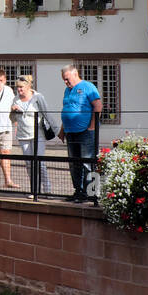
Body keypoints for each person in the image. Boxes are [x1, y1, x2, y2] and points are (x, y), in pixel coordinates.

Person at [58, 65, 102, 203]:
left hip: (85, 132)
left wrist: (92, 127)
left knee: (88, 164)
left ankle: (91, 194)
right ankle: (79, 192)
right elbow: (67, 109)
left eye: (67, 79)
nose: (65, 82)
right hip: (71, 132)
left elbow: (98, 106)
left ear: (75, 73)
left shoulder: (88, 87)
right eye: (64, 80)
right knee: (74, 163)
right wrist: (62, 130)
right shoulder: (67, 90)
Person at [11, 75, 53, 194]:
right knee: (29, 164)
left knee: (39, 163)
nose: (19, 90)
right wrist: (12, 111)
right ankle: (34, 190)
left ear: (28, 86)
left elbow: (47, 113)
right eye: (17, 87)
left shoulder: (38, 97)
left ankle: (47, 189)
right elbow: (12, 119)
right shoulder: (16, 99)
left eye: (21, 87)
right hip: (23, 135)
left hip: (37, 133)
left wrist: (55, 130)